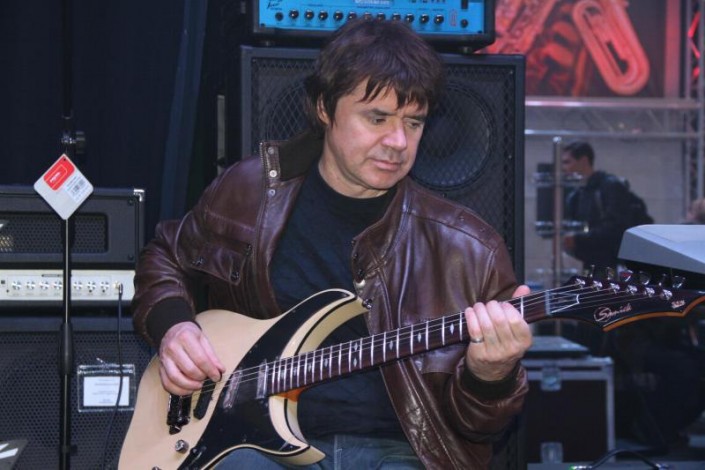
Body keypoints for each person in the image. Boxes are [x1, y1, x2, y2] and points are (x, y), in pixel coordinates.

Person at [131, 18, 532, 469]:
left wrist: (491, 374)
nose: (398, 141)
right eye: (376, 118)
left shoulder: (470, 249)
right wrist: (174, 328)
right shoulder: (247, 193)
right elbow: (166, 255)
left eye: (413, 122)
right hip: (253, 443)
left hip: (399, 451)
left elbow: (480, 426)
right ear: (324, 109)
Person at [561, 140, 646, 272]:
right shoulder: (577, 194)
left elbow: (616, 227)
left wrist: (578, 239)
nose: (564, 168)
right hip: (590, 262)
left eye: (567, 162)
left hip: (612, 263)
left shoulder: (609, 186)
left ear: (583, 161)